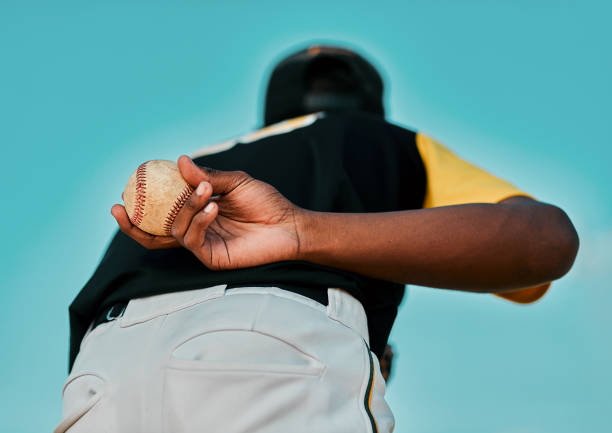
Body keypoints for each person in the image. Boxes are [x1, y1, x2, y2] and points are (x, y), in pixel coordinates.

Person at [55, 45, 579, 433]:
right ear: (369, 104)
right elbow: (544, 242)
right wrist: (302, 231)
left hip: (101, 373)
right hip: (272, 349)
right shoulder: (381, 140)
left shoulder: (197, 166)